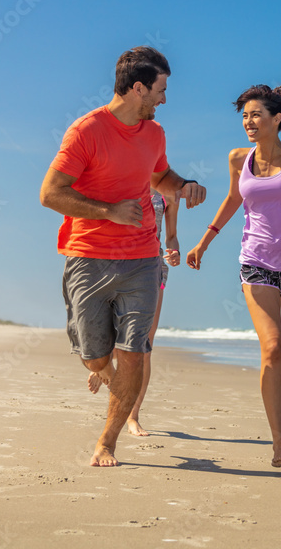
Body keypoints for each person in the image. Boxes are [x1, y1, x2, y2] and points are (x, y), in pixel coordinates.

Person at [40, 46, 206, 467]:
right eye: (161, 90)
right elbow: (50, 194)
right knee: (96, 357)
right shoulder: (86, 131)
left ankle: (107, 441)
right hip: (89, 257)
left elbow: (160, 174)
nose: (164, 99)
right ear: (138, 88)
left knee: (135, 351)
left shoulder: (155, 134)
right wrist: (109, 211)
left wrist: (184, 184)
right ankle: (108, 377)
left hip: (142, 258)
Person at [187, 84, 281, 468]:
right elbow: (234, 198)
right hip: (256, 262)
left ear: (277, 119)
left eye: (256, 115)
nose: (249, 122)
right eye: (245, 116)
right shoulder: (238, 158)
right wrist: (204, 242)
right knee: (273, 347)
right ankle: (279, 442)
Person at [88, 188, 180, 438]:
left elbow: (171, 237)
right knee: (113, 339)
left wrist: (174, 253)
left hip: (153, 269)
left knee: (143, 346)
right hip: (116, 263)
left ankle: (132, 415)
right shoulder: (122, 178)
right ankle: (102, 362)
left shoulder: (169, 193)